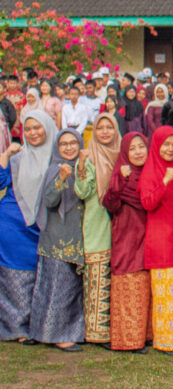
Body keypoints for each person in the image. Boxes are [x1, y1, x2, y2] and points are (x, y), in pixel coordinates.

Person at [28, 129, 85, 351]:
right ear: (57, 147)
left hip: (74, 237)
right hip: (55, 237)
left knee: (68, 288)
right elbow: (50, 201)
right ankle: (54, 335)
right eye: (63, 144)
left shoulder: (81, 168)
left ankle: (50, 332)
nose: (69, 148)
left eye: (73, 143)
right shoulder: (55, 169)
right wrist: (61, 178)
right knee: (52, 287)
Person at [101, 132, 151, 353]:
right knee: (128, 285)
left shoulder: (151, 173)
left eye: (141, 147)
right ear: (124, 153)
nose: (138, 152)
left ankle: (145, 336)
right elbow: (110, 203)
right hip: (126, 236)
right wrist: (120, 180)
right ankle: (127, 340)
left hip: (147, 236)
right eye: (132, 149)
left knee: (144, 285)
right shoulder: (120, 173)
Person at [74, 113, 121, 347]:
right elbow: (82, 191)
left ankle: (115, 330)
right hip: (96, 224)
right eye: (100, 128)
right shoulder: (89, 157)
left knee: (114, 280)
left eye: (109, 128)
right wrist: (81, 165)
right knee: (97, 279)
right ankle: (95, 332)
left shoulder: (122, 156)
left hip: (120, 224)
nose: (104, 132)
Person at [138, 126, 173, 355]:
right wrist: (164, 182)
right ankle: (165, 341)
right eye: (165, 144)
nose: (170, 149)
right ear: (156, 146)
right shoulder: (151, 171)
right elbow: (147, 203)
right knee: (165, 292)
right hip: (160, 240)